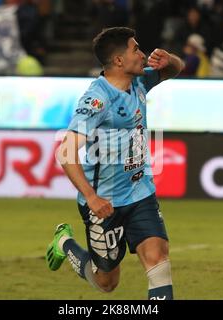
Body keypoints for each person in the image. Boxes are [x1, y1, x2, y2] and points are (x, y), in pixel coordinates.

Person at [46, 27, 183, 299]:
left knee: (158, 259)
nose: (143, 54)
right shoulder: (97, 100)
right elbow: (66, 152)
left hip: (140, 192)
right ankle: (64, 242)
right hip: (104, 203)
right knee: (107, 282)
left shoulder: (141, 81)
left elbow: (175, 69)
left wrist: (171, 60)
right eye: (135, 49)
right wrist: (91, 197)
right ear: (119, 60)